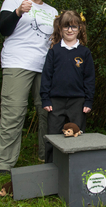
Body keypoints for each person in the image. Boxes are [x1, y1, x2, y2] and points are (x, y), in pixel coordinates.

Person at [0, 0, 57, 175]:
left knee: (47, 111)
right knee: (14, 112)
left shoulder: (52, 11)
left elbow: (53, 42)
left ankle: (46, 156)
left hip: (44, 67)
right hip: (17, 62)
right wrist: (19, 11)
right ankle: (4, 163)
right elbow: (4, 29)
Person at [40, 10, 95, 163]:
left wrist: (88, 101)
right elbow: (46, 76)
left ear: (80, 29)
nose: (70, 30)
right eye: (66, 27)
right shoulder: (54, 51)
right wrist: (45, 99)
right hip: (55, 101)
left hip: (77, 101)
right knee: (53, 136)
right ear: (60, 29)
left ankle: (76, 165)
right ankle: (50, 165)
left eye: (74, 27)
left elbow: (89, 79)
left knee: (77, 134)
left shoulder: (84, 52)